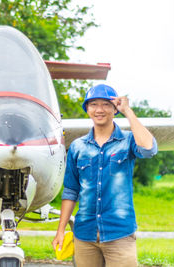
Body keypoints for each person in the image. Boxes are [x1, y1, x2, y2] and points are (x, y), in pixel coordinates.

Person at [52, 84, 158, 267]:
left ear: (114, 109)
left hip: (119, 234)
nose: (99, 110)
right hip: (85, 235)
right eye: (93, 104)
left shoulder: (128, 141)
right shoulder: (77, 147)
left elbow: (149, 149)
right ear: (87, 109)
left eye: (106, 104)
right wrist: (60, 230)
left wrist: (128, 111)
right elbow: (71, 191)